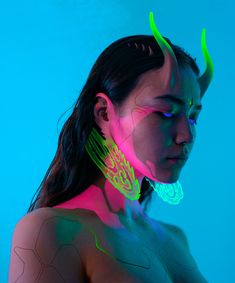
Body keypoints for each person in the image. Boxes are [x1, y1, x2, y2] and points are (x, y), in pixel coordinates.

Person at [8, 11, 213, 282]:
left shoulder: (175, 238)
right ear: (104, 113)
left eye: (193, 116)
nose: (186, 135)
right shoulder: (50, 230)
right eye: (165, 112)